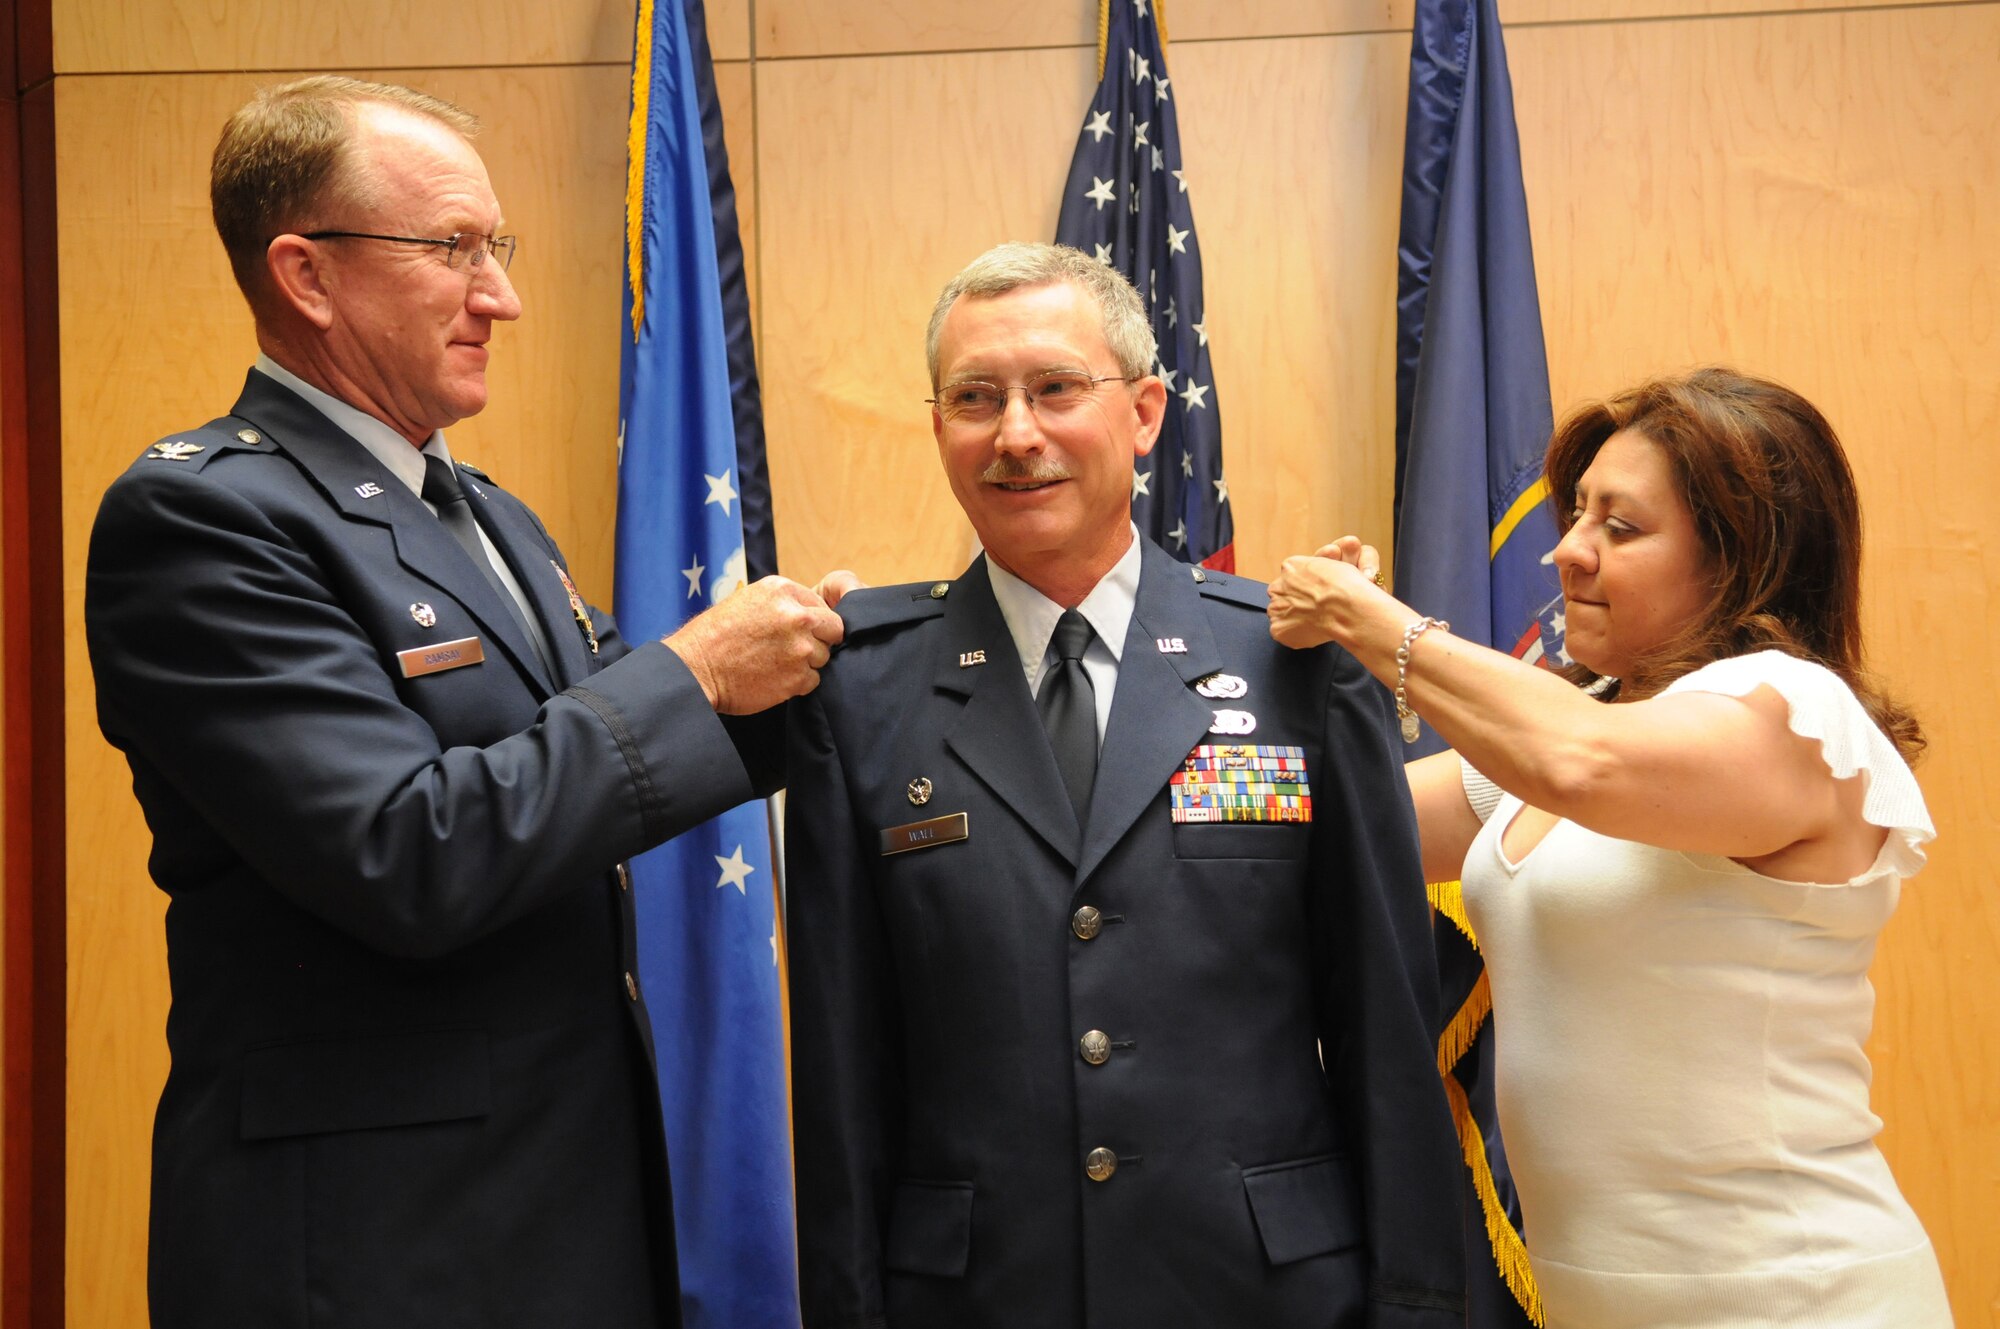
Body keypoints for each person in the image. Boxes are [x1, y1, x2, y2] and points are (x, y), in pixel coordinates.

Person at [83, 76, 846, 1328]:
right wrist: (699, 670)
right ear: (307, 274)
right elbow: (408, 853)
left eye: (497, 246)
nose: (502, 293)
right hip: (374, 1244)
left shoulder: (488, 513)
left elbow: (590, 767)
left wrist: (832, 662)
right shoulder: (205, 518)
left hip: (564, 1204)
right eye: (451, 248)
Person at [782, 242, 1465, 1328]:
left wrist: (1421, 1305)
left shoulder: (1292, 664)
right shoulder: (856, 688)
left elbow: (1383, 1025)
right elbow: (839, 1063)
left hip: (1265, 1292)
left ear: (1145, 413)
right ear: (936, 427)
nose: (1015, 435)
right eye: (974, 398)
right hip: (974, 1296)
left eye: (1055, 390)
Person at [1268, 368, 1953, 1327]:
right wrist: (1281, 682)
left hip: (1798, 1296)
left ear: (1739, 558)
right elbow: (1324, 819)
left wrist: (1371, 619)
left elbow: (1581, 765)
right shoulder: (1579, 722)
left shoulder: (1796, 715)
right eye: (1576, 514)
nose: (1565, 553)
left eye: (1619, 528)